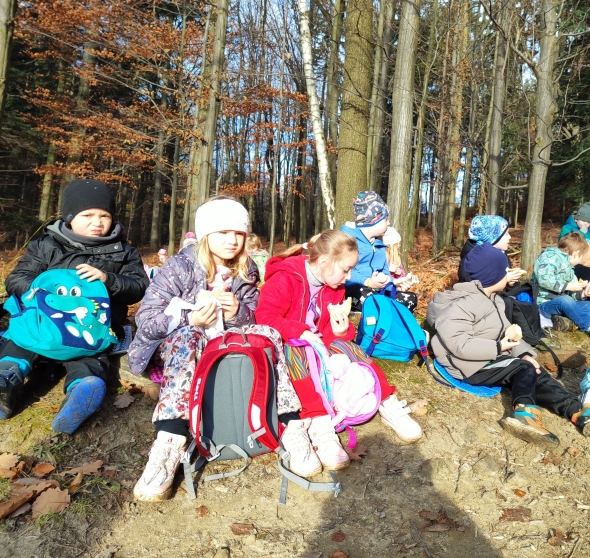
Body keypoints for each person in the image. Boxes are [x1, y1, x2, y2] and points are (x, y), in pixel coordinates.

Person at [255, 230, 422, 476]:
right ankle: (320, 426)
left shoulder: (334, 286)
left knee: (351, 348)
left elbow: (329, 331)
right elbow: (265, 317)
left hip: (318, 342)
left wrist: (342, 332)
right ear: (324, 262)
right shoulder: (285, 279)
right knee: (297, 357)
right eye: (346, 269)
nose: (349, 277)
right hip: (289, 343)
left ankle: (387, 401)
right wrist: (301, 332)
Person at [128, 196, 260, 501]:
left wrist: (237, 313)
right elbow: (145, 320)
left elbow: (253, 318)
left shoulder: (246, 270)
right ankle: (170, 438)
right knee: (190, 335)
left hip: (221, 353)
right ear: (205, 234)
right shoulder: (180, 267)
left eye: (239, 233)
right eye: (223, 232)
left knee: (260, 336)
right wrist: (190, 318)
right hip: (173, 353)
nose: (232, 241)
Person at [426, 243, 590, 447]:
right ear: (493, 276)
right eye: (505, 270)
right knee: (523, 368)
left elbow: (507, 333)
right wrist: (499, 348)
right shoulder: (463, 304)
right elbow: (458, 344)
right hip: (467, 365)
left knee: (535, 371)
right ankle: (523, 413)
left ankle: (578, 412)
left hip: (490, 356)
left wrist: (524, 353)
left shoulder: (495, 300)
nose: (508, 274)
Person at [0, 179, 147, 432]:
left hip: (91, 327)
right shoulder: (47, 245)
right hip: (43, 321)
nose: (97, 222)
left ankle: (81, 390)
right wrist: (37, 291)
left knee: (91, 357)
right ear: (69, 217)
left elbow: (139, 286)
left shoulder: (123, 252)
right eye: (87, 215)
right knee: (21, 341)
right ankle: (6, 378)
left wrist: (108, 279)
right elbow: (16, 278)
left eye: (104, 215)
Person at [341, 191, 418, 312]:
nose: (389, 223)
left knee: (410, 298)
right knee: (368, 296)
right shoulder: (348, 241)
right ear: (373, 221)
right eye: (386, 219)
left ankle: (389, 317)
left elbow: (385, 275)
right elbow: (344, 272)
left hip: (377, 292)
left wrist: (395, 285)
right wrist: (368, 282)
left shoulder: (379, 245)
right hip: (354, 291)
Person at [533, 233, 590, 340]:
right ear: (576, 254)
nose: (581, 261)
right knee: (565, 300)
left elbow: (572, 295)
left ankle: (569, 323)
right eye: (581, 257)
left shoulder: (570, 268)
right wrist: (568, 286)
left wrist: (583, 294)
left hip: (564, 304)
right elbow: (543, 279)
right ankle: (589, 328)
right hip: (545, 304)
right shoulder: (550, 257)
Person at [457, 215, 524, 286]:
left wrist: (510, 284)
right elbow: (473, 288)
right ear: (492, 236)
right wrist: (505, 280)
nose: (510, 237)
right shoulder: (471, 261)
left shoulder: (501, 253)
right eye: (506, 234)